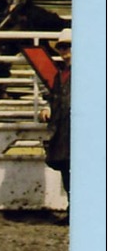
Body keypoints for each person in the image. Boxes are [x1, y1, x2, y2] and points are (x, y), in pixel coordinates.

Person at [38, 28, 71, 216]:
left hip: (78, 128)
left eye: (68, 46)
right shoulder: (60, 75)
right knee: (67, 169)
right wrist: (48, 107)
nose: (65, 50)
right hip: (64, 127)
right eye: (62, 47)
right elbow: (54, 97)